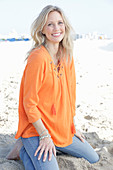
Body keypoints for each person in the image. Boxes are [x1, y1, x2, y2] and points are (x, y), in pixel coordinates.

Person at [6, 5, 99, 169]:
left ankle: (33, 147)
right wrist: (44, 135)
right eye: (50, 24)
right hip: (36, 129)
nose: (56, 28)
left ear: (65, 26)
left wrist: (72, 125)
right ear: (42, 29)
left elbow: (70, 96)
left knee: (93, 157)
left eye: (60, 23)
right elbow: (29, 104)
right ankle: (24, 148)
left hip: (60, 128)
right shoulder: (38, 58)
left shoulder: (66, 55)